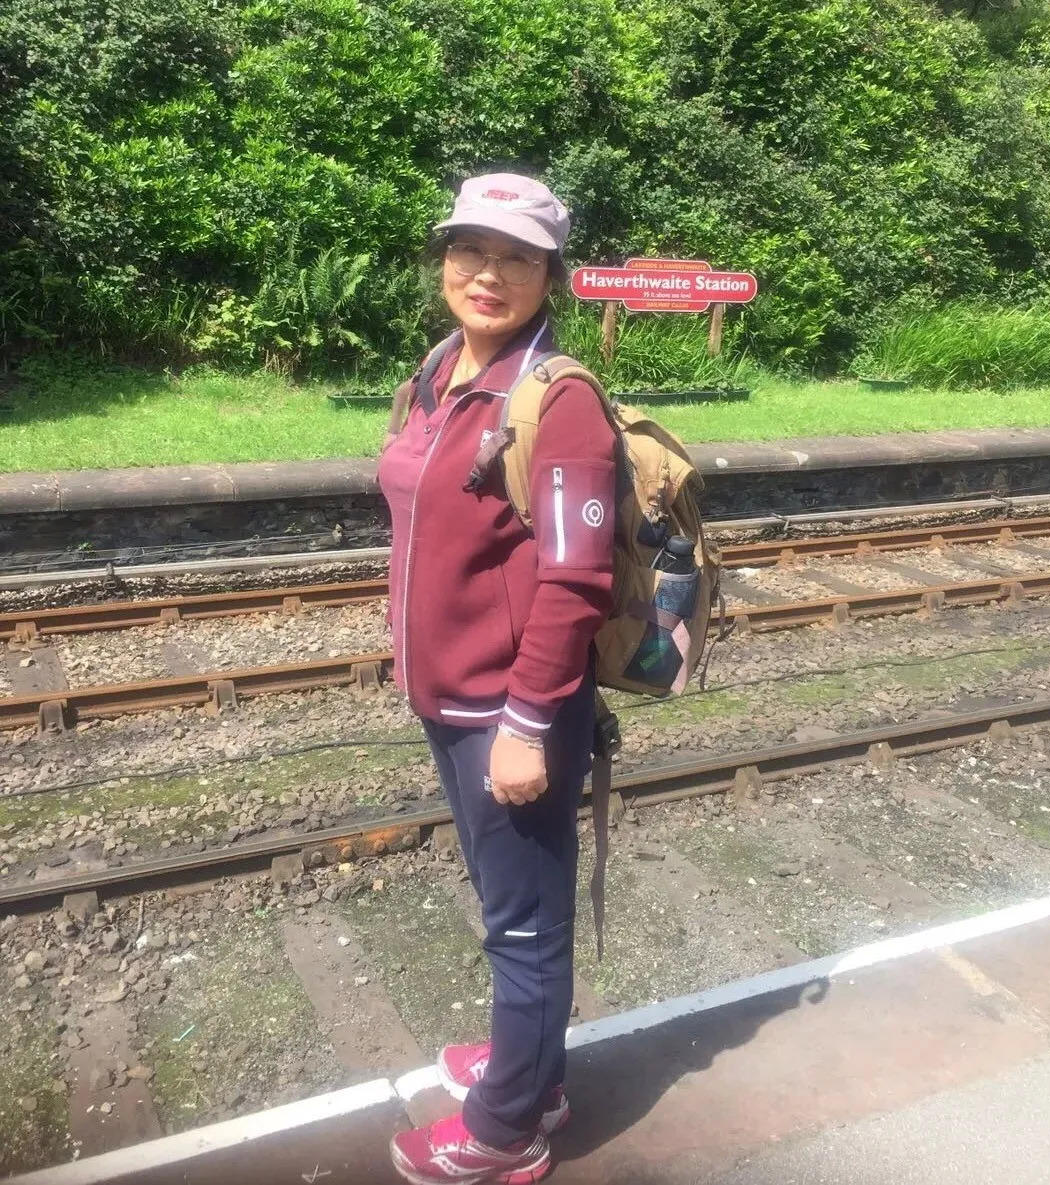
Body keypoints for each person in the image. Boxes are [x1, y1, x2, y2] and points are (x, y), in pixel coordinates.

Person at [377, 174, 617, 1184]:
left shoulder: (559, 401)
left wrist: (524, 724)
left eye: (517, 256)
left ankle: (508, 1129)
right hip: (449, 696)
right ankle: (534, 1073)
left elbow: (576, 580)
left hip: (510, 710)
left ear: (550, 276)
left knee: (522, 925)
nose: (488, 272)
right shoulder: (444, 371)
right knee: (511, 903)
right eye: (471, 249)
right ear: (444, 260)